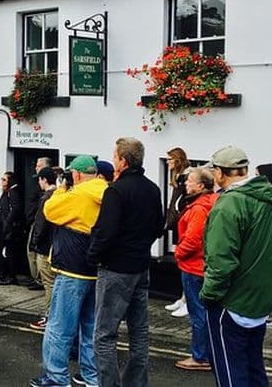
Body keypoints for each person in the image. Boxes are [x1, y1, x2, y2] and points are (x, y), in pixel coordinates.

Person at [200, 146, 272, 387]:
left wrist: (209, 295)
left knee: (230, 370)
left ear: (220, 173)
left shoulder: (228, 204)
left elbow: (220, 261)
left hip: (231, 301)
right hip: (261, 299)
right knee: (254, 366)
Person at [89, 137, 164, 387]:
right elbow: (158, 226)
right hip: (141, 266)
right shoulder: (152, 189)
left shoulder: (116, 191)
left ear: (122, 161)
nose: (113, 160)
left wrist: (93, 256)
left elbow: (105, 232)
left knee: (103, 336)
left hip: (115, 269)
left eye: (114, 156)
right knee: (139, 333)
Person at [31, 155, 107, 387]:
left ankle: (56, 377)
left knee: (59, 327)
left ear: (76, 175)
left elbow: (50, 210)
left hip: (72, 269)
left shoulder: (78, 194)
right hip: (97, 269)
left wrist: (62, 188)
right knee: (91, 327)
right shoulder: (106, 190)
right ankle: (91, 376)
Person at [173, 167, 218, 372]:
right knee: (208, 313)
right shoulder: (214, 202)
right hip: (207, 266)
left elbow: (193, 239)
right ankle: (208, 354)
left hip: (194, 267)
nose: (186, 183)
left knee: (198, 314)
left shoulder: (199, 208)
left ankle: (200, 357)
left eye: (190, 181)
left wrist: (178, 253)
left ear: (201, 186)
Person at [27, 166, 57, 330]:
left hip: (45, 248)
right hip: (56, 247)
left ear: (44, 180)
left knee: (49, 284)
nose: (38, 182)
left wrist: (34, 243)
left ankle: (49, 316)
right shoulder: (61, 195)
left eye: (39, 179)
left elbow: (40, 224)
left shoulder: (46, 198)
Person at [164, 147, 190, 317]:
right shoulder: (178, 178)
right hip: (177, 223)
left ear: (177, 160)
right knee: (181, 261)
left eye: (170, 159)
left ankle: (187, 300)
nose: (167, 162)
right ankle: (183, 298)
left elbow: (182, 203)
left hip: (183, 224)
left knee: (186, 262)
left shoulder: (185, 177)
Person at [25, 157, 53, 291]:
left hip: (41, 232)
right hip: (35, 224)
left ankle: (39, 279)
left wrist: (35, 240)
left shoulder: (47, 195)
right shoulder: (45, 191)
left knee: (49, 283)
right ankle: (37, 278)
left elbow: (42, 221)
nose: (36, 168)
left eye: (39, 165)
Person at [0, 171, 25, 286]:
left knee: (10, 253)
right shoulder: (8, 192)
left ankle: (11, 276)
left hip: (11, 229)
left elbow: (15, 209)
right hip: (6, 226)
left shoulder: (13, 193)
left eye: (4, 180)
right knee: (6, 252)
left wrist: (8, 222)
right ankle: (5, 274)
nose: (2, 182)